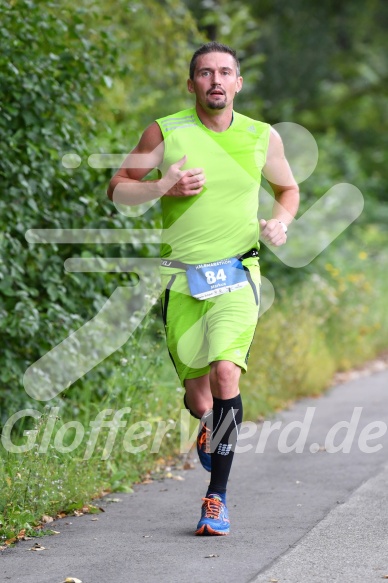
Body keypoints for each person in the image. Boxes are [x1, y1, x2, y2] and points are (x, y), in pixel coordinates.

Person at [107, 41, 299, 536]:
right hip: (181, 278)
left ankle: (216, 498)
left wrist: (281, 222)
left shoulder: (262, 136)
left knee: (225, 374)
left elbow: (288, 191)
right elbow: (119, 186)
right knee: (200, 400)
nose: (215, 80)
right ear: (190, 82)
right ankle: (208, 424)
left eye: (225, 72)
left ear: (238, 82)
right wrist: (159, 188)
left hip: (238, 273)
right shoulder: (165, 132)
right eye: (205, 73)